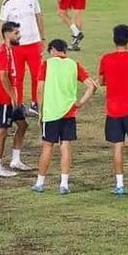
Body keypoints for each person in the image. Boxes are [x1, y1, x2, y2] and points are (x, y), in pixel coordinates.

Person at [30, 39, 97, 195]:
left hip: (51, 112)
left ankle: (40, 183)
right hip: (69, 112)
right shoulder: (74, 64)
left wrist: (40, 110)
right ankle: (64, 184)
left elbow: (39, 89)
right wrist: (80, 102)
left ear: (53, 50)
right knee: (65, 146)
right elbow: (92, 86)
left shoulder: (47, 64)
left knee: (47, 147)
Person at [98, 24, 128, 197]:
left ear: (114, 39)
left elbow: (102, 81)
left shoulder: (106, 59)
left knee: (117, 148)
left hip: (113, 111)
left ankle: (119, 185)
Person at [0, 0, 45, 116]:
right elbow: (2, 24)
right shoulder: (7, 3)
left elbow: (39, 18)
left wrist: (42, 38)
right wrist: (3, 42)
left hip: (34, 44)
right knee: (17, 76)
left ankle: (35, 104)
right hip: (16, 46)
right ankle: (18, 104)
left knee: (37, 75)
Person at [0, 21, 31, 178]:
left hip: (12, 98)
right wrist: (13, 95)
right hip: (4, 99)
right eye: (16, 33)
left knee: (22, 125)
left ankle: (15, 160)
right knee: (1, 131)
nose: (19, 35)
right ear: (7, 34)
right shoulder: (2, 52)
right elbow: (3, 77)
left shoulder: (9, 50)